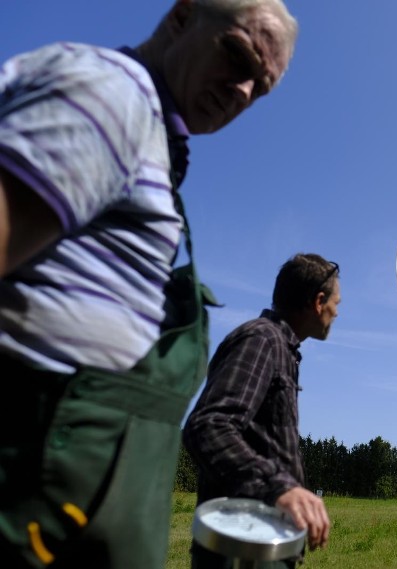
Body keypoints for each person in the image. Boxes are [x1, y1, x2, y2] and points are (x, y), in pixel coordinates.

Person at [0, 1, 298, 567]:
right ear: (183, 17)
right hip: (33, 479)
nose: (240, 91)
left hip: (72, 492)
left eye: (259, 88)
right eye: (237, 55)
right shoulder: (111, 100)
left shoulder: (150, 139)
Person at [183, 253, 339, 568]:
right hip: (241, 548)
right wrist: (279, 487)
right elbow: (209, 425)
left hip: (262, 541)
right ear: (319, 301)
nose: (337, 312)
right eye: (337, 302)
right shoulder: (261, 340)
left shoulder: (281, 349)